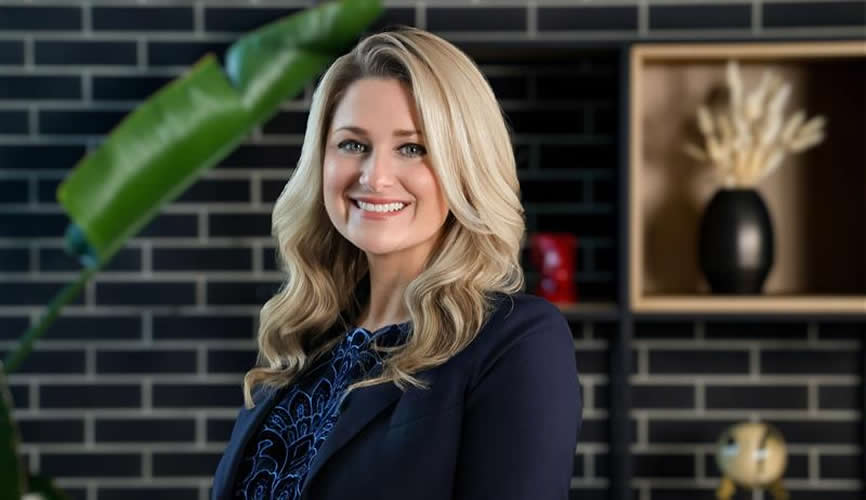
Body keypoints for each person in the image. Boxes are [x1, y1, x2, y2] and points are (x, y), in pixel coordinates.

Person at [211, 25, 582, 500]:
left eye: (413, 148)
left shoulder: (516, 342)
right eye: (352, 144)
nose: (375, 176)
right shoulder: (307, 338)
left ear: (464, 167)